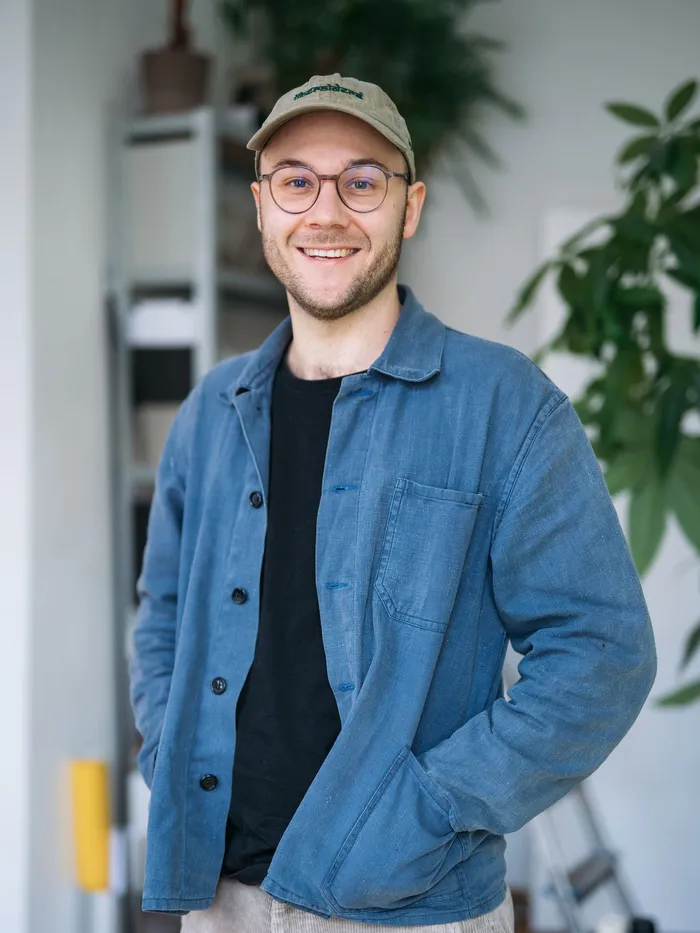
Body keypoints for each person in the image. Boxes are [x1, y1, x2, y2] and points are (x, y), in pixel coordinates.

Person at [129, 74, 657, 933]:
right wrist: (165, 749)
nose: (326, 211)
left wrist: (433, 805)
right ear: (262, 206)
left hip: (413, 910)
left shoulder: (505, 405)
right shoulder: (209, 414)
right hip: (217, 899)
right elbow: (162, 618)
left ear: (409, 207)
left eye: (362, 181)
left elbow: (602, 654)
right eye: (296, 180)